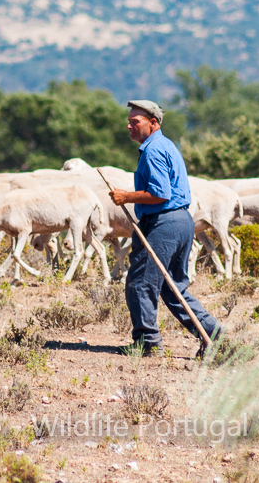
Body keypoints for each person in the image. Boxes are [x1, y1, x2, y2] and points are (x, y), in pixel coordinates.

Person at [108, 100, 222, 356]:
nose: (129, 126)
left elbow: (160, 193)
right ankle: (215, 335)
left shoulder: (153, 150)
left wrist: (126, 197)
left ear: (153, 123)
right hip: (181, 221)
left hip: (163, 222)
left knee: (140, 282)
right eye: (129, 121)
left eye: (135, 122)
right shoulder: (166, 145)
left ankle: (147, 343)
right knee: (172, 289)